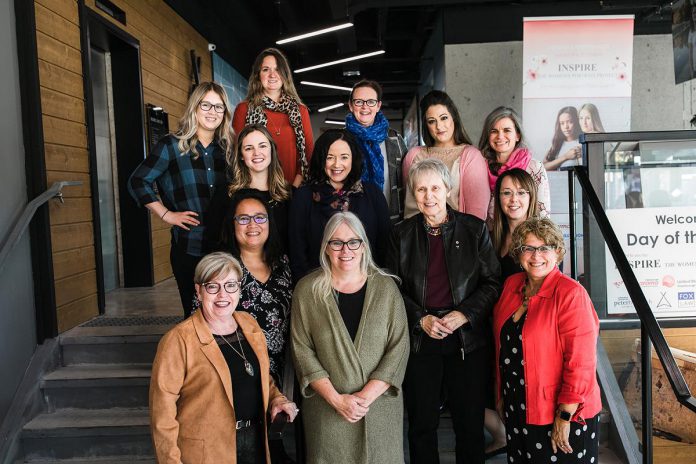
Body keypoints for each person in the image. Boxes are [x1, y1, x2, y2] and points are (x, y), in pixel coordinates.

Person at [387, 158, 501, 464]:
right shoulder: (400, 235)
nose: (429, 196)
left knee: (469, 425)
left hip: (466, 340)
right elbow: (391, 289)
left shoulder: (474, 230)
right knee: (422, 425)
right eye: (421, 189)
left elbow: (492, 283)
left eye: (435, 187)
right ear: (413, 193)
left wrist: (464, 314)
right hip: (421, 340)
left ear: (447, 189)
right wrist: (420, 319)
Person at [150, 252, 299, 464]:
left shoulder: (248, 324)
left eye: (230, 285)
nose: (223, 295)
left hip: (256, 442)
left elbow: (262, 378)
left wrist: (277, 399)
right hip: (207, 452)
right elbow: (162, 417)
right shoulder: (178, 341)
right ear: (199, 291)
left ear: (239, 289)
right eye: (213, 286)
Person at [291, 212, 409, 463]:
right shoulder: (306, 291)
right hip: (327, 410)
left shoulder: (386, 288)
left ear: (364, 245)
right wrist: (337, 399)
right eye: (336, 242)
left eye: (353, 241)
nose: (345, 250)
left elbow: (399, 348)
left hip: (377, 409)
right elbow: (302, 351)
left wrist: (364, 398)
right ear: (326, 248)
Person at [493, 217, 601, 463]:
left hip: (560, 412)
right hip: (517, 405)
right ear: (518, 253)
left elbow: (581, 363)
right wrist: (501, 394)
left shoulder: (571, 294)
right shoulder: (511, 286)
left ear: (558, 252)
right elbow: (503, 347)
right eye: (528, 248)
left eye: (544, 248)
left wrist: (565, 416)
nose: (536, 255)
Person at [129, 82, 233, 317]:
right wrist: (166, 214)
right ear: (195, 107)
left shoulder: (229, 149)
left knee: (224, 314)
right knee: (195, 314)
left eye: (219, 107)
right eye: (206, 105)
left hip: (225, 247)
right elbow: (138, 181)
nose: (213, 112)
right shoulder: (171, 146)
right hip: (189, 247)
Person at [484, 168, 541, 458]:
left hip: (527, 331)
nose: (513, 199)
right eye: (506, 192)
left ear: (531, 197)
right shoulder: (492, 233)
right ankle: (504, 436)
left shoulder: (539, 235)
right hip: (496, 325)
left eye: (521, 192)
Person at [288, 129, 390, 281]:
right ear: (321, 159)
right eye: (330, 157)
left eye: (344, 157)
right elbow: (296, 251)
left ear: (353, 159)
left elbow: (384, 245)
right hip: (317, 286)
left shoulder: (372, 194)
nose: (337, 164)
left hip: (366, 282)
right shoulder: (303, 197)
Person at [402, 90, 490, 221]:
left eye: (444, 118)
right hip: (418, 236)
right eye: (432, 121)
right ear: (426, 125)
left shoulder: (471, 156)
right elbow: (409, 204)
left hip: (459, 236)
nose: (439, 126)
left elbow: (477, 216)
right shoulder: (414, 156)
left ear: (453, 118)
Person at [233, 48, 314, 187]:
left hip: (294, 188)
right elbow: (236, 153)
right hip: (256, 188)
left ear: (285, 74)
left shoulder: (301, 111)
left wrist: (295, 187)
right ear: (258, 75)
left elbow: (309, 153)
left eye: (277, 69)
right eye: (266, 69)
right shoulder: (244, 109)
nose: (272, 75)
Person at [207, 124, 291, 253]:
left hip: (282, 269)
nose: (257, 153)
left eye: (262, 146)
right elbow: (213, 241)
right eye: (248, 148)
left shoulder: (288, 194)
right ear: (241, 155)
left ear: (271, 150)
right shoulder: (227, 194)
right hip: (237, 269)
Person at [344, 79, 408, 222]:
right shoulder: (340, 140)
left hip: (392, 220)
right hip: (351, 222)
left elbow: (407, 182)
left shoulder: (394, 139)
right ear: (350, 105)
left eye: (371, 101)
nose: (365, 107)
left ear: (378, 105)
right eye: (358, 101)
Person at [479, 106, 550, 222]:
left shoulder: (534, 167)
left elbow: (543, 215)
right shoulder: (479, 167)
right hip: (488, 237)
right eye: (494, 131)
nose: (500, 136)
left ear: (517, 135)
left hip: (526, 236)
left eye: (507, 130)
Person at [543, 107, 582, 171]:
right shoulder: (557, 145)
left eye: (570, 122)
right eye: (562, 123)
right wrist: (566, 157)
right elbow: (543, 168)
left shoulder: (582, 143)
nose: (566, 127)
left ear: (576, 122)